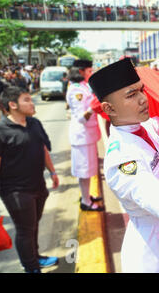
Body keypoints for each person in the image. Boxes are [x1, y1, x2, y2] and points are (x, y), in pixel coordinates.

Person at [89, 58, 159, 273]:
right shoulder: (122, 160)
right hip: (152, 260)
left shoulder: (142, 127)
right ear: (109, 108)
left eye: (141, 90)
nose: (143, 99)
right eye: (132, 95)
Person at [0, 86, 59, 273]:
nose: (32, 102)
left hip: (38, 185)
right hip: (15, 191)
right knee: (25, 229)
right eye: (26, 99)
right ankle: (31, 267)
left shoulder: (34, 123)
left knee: (32, 225)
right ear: (12, 105)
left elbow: (42, 149)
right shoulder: (2, 131)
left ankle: (36, 258)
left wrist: (52, 172)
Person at [66, 65, 103, 211]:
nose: (91, 73)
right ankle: (86, 202)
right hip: (82, 136)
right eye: (89, 71)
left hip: (87, 136)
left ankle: (86, 196)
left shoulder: (83, 86)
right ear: (80, 72)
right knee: (84, 171)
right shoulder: (76, 90)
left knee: (88, 170)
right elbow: (82, 118)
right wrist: (92, 108)